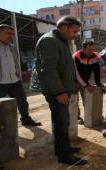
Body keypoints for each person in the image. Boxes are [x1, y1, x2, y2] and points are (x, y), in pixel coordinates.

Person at [33, 16, 87, 165]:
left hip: (62, 88)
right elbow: (49, 70)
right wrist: (59, 92)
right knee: (62, 122)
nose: (75, 35)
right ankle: (64, 155)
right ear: (64, 27)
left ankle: (62, 148)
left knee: (60, 121)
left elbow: (64, 65)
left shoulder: (61, 41)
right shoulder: (49, 40)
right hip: (56, 90)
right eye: (74, 31)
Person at [0, 24, 41, 126]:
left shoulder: (12, 46)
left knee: (22, 102)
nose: (11, 36)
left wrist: (22, 71)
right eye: (8, 33)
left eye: (12, 34)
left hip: (14, 80)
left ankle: (26, 119)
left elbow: (16, 61)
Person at [73, 40, 106, 124]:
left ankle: (90, 116)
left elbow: (96, 71)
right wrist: (86, 85)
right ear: (83, 49)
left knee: (87, 99)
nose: (91, 52)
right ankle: (76, 118)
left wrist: (99, 84)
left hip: (85, 80)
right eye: (89, 50)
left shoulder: (95, 56)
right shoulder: (76, 56)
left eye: (92, 49)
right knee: (74, 100)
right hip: (74, 81)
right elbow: (76, 73)